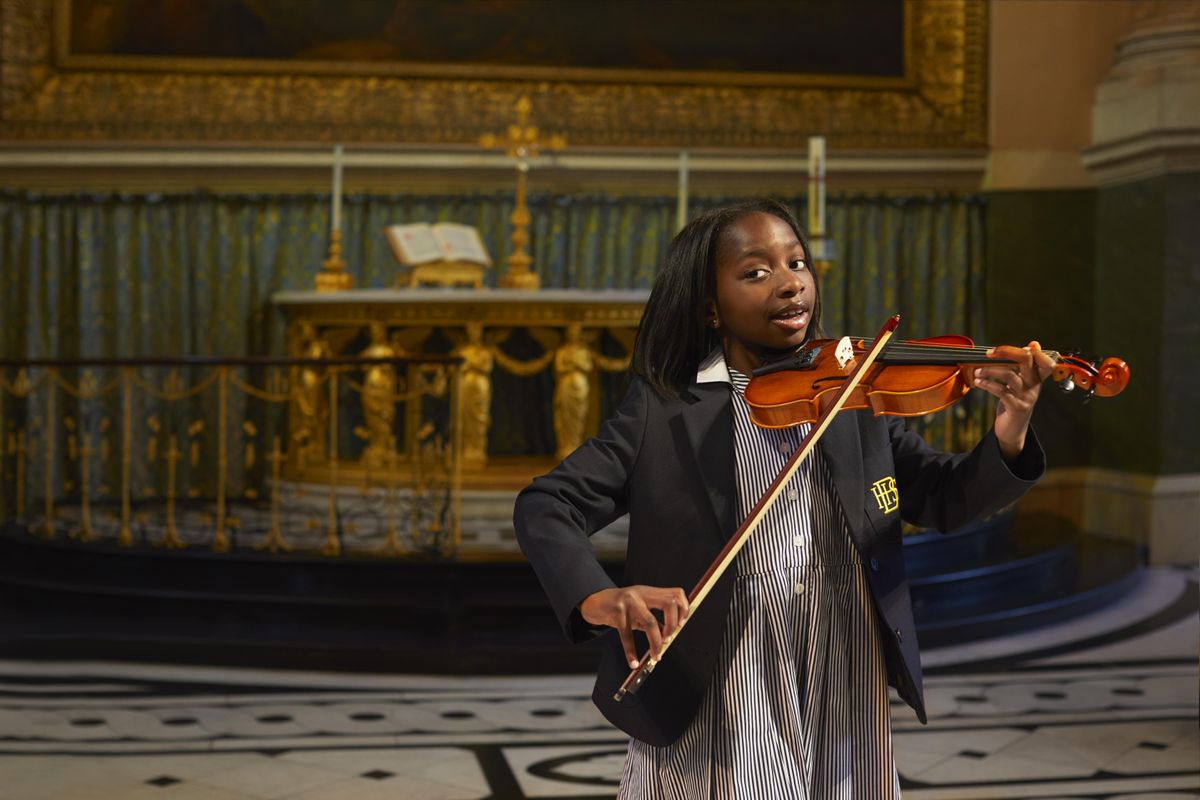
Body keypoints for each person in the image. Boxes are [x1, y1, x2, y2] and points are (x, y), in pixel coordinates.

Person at [513, 199, 1054, 798]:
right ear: (709, 308)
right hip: (727, 668)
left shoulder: (853, 396)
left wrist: (1011, 429)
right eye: (756, 271)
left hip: (844, 657)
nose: (790, 282)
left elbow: (945, 496)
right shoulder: (665, 410)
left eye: (796, 262)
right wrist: (598, 597)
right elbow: (547, 504)